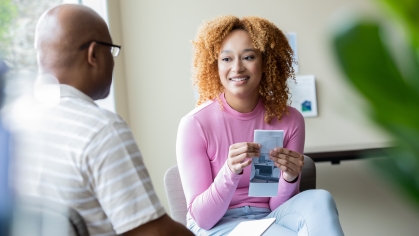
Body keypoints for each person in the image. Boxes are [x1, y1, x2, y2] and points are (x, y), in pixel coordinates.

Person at [14, 4, 193, 236]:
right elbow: (151, 233)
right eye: (111, 50)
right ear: (94, 54)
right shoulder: (101, 130)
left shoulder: (15, 121)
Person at [176, 15, 344, 235]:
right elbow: (203, 218)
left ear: (265, 63)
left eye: (248, 57)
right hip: (218, 224)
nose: (237, 68)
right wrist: (230, 172)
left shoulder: (290, 120)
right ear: (215, 65)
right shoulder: (195, 124)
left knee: (321, 198)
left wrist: (289, 178)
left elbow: (279, 206)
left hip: (271, 216)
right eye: (226, 59)